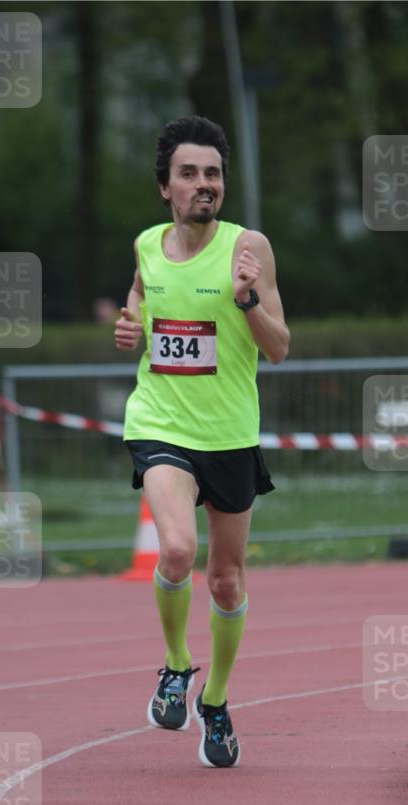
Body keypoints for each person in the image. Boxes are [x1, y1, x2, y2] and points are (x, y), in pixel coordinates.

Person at [115, 115, 289, 767]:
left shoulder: (249, 249)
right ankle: (175, 664)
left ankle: (213, 702)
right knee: (178, 550)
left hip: (230, 435)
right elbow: (137, 296)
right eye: (188, 174)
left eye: (212, 173)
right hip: (159, 423)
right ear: (165, 186)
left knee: (225, 580)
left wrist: (247, 303)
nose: (202, 184)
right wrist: (130, 326)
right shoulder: (145, 245)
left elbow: (278, 349)